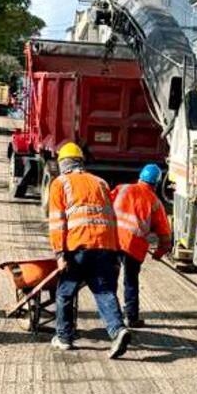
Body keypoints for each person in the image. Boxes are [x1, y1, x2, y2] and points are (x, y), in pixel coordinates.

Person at [48, 142, 133, 358]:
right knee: (104, 291)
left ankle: (64, 337)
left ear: (62, 164)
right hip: (105, 246)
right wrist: (115, 252)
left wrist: (59, 254)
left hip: (78, 246)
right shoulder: (101, 182)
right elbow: (111, 219)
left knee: (65, 292)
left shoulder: (60, 183)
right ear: (80, 162)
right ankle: (118, 330)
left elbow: (57, 222)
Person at [111, 164, 172, 328]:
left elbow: (105, 206)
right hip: (134, 247)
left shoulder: (122, 189)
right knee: (130, 282)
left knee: (110, 280)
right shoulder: (155, 202)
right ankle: (131, 318)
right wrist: (160, 253)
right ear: (156, 183)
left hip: (113, 241)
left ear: (140, 177)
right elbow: (165, 236)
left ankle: (112, 318)